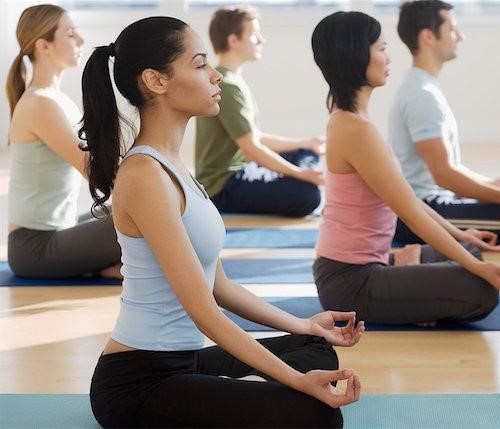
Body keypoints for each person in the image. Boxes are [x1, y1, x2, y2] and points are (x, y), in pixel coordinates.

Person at [82, 16, 363, 428]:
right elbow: (204, 312)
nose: (215, 76)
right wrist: (297, 383)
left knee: (314, 346)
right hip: (138, 384)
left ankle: (247, 388)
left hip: (187, 362)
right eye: (199, 65)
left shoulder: (174, 165)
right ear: (156, 81)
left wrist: (304, 323)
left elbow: (220, 286)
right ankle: (251, 390)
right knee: (316, 416)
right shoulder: (144, 176)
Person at [311, 11, 500, 327]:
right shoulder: (355, 129)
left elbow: (410, 201)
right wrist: (476, 267)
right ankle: (410, 287)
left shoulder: (351, 120)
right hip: (350, 283)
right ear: (356, 55)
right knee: (481, 289)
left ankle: (407, 275)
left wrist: (462, 235)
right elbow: (411, 212)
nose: (388, 57)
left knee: (469, 249)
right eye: (382, 48)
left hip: (365, 266)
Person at [388, 0, 500, 244]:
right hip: (417, 210)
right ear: (429, 36)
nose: (460, 36)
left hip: (431, 198)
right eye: (452, 29)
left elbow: (448, 169)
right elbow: (444, 175)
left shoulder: (423, 87)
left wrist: (494, 184)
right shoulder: (422, 95)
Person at [5, 4, 121, 279]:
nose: (80, 40)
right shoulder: (40, 104)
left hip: (60, 231)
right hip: (35, 248)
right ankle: (113, 267)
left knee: (139, 212)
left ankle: (106, 266)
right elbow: (96, 172)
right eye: (70, 34)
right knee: (147, 216)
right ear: (43, 45)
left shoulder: (56, 100)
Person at [195, 6, 324, 217]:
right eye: (254, 35)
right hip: (224, 186)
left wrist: (306, 142)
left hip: (245, 170)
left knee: (307, 153)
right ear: (233, 40)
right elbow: (251, 148)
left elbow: (255, 137)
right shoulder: (226, 85)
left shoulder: (233, 80)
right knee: (309, 196)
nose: (261, 40)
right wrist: (301, 174)